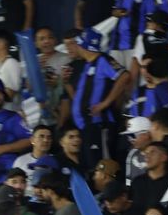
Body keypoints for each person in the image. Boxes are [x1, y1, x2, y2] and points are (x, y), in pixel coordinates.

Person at [65, 28, 129, 167]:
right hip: (87, 127)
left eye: (78, 44)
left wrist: (105, 103)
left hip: (99, 125)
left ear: (85, 45)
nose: (75, 47)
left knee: (104, 168)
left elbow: (124, 76)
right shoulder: (87, 65)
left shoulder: (103, 60)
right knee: (92, 170)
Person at [109, 0, 156, 68]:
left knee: (131, 82)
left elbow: (152, 18)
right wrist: (118, 12)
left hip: (134, 46)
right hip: (116, 44)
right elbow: (113, 11)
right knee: (117, 81)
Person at [129, 142, 168, 215]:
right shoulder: (137, 182)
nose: (147, 156)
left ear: (164, 157)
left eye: (152, 152)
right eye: (146, 153)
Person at [35, 27, 71, 127]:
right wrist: (37, 70)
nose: (46, 41)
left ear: (55, 40)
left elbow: (72, 85)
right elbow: (30, 88)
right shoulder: (35, 63)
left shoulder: (66, 59)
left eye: (50, 37)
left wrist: (58, 83)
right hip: (45, 115)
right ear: (36, 43)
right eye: (42, 39)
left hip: (63, 112)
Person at [12, 125, 53, 197]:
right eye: (41, 136)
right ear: (32, 140)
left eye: (49, 137)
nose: (46, 140)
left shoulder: (55, 161)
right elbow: (13, 184)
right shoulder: (21, 161)